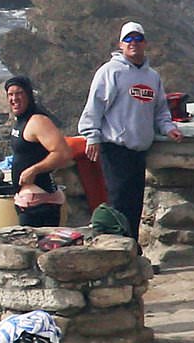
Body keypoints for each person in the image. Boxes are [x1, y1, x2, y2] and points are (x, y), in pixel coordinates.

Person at [78, 22, 183, 242]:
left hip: (139, 151)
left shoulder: (152, 76)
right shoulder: (110, 71)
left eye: (137, 39)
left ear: (145, 43)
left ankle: (133, 252)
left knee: (134, 205)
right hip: (115, 148)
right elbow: (94, 106)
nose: (133, 43)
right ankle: (118, 254)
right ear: (121, 44)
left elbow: (161, 111)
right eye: (128, 39)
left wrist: (169, 128)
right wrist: (92, 136)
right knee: (118, 205)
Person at [4, 76, 73, 227]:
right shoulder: (20, 120)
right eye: (10, 94)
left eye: (19, 93)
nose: (14, 98)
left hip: (41, 203)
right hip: (28, 201)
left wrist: (34, 170)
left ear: (28, 95)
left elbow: (63, 153)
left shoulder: (38, 120)